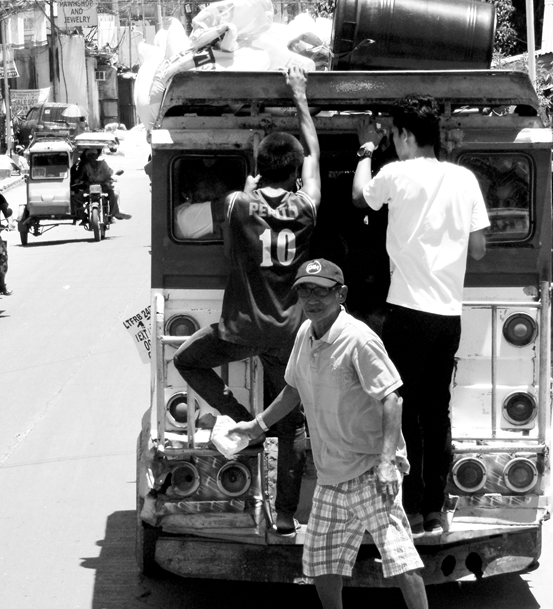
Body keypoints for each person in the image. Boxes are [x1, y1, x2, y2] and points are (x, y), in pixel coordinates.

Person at [172, 65, 321, 536]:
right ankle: (283, 517)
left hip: (238, 329)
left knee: (186, 360)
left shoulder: (239, 204)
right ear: (295, 173)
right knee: (291, 423)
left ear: (258, 170)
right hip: (287, 334)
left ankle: (238, 420)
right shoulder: (306, 208)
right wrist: (300, 96)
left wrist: (253, 185)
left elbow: (227, 203)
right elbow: (315, 153)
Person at [231, 259, 428, 609]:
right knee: (322, 562)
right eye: (305, 290)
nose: (312, 298)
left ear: (341, 294)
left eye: (321, 291)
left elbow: (392, 397)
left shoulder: (358, 340)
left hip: (371, 471)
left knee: (400, 561)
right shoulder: (306, 334)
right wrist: (257, 425)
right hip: (332, 474)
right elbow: (292, 389)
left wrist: (386, 462)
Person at [351, 95, 490, 535]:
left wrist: (366, 150)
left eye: (394, 136)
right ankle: (435, 508)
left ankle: (409, 509)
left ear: (407, 136)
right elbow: (481, 247)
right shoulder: (464, 179)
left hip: (406, 313)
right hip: (448, 316)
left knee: (403, 409)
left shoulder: (393, 172)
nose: (393, 144)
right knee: (437, 412)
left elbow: (359, 198)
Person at [71, 147, 131, 220]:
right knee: (77, 196)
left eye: (93, 154)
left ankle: (115, 212)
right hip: (90, 187)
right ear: (86, 157)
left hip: (103, 185)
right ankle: (81, 215)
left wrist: (113, 177)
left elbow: (110, 173)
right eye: (89, 155)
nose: (91, 156)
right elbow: (80, 176)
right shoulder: (85, 166)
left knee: (114, 194)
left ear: (97, 155)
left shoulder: (103, 164)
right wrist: (77, 180)